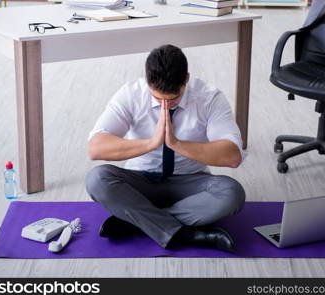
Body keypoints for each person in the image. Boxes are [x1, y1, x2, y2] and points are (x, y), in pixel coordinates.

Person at [85, 44, 246, 252]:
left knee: (232, 193)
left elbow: (232, 156)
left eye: (173, 99)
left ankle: (140, 220)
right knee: (97, 179)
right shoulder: (130, 94)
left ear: (186, 79)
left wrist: (177, 144)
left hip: (190, 183)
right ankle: (186, 233)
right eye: (157, 98)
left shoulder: (210, 98)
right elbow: (96, 148)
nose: (165, 105)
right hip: (141, 182)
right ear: (147, 81)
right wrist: (151, 143)